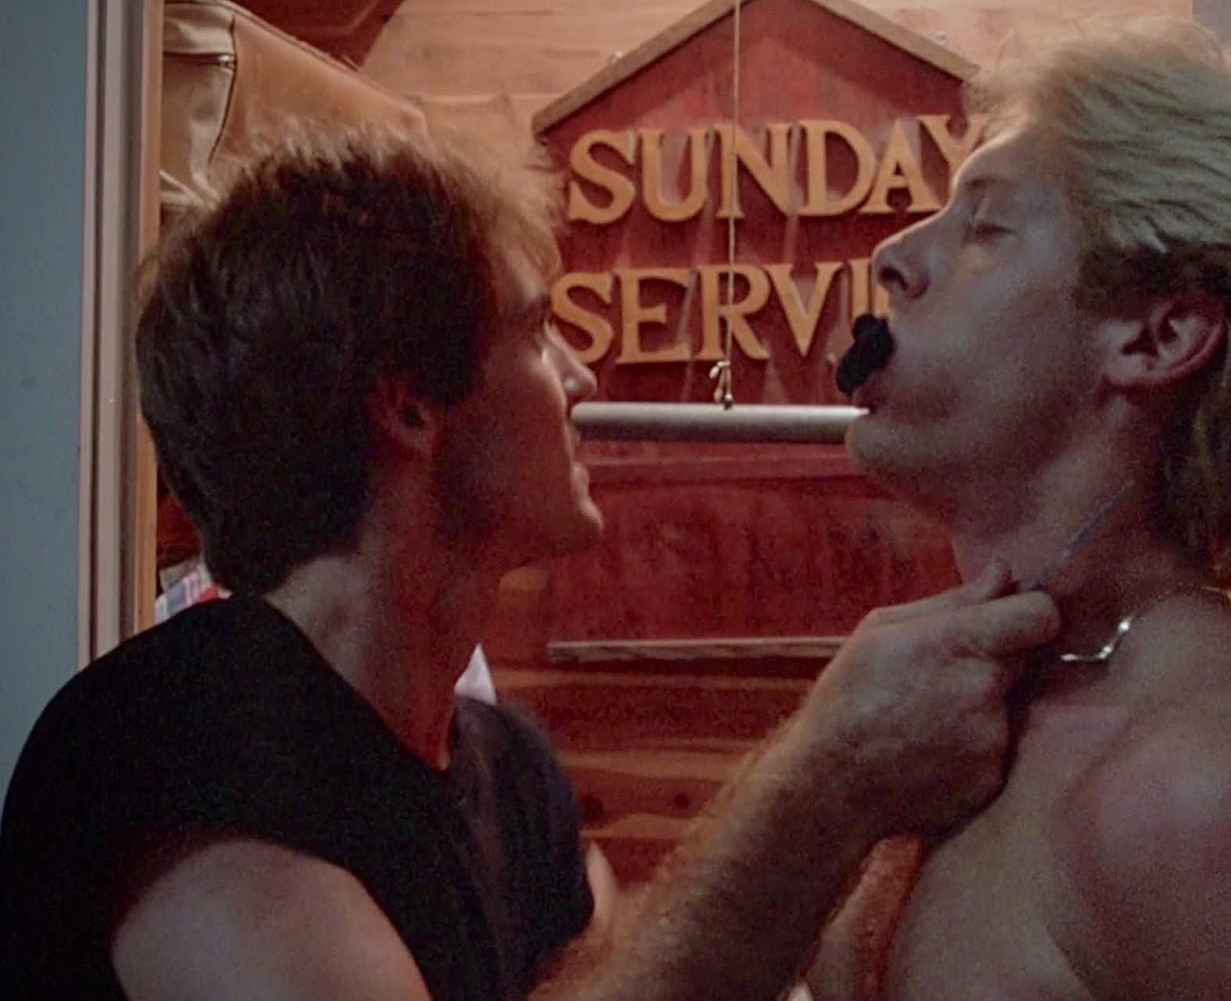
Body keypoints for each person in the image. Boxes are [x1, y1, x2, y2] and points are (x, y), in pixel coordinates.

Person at [0, 124, 1061, 1001]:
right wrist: (825, 783)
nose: (580, 373)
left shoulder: (506, 772)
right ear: (409, 406)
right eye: (537, 327)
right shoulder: (180, 749)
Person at [807, 15, 1231, 1001]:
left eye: (986, 226)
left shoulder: (1221, 794)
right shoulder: (966, 709)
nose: (894, 257)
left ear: (1159, 337)